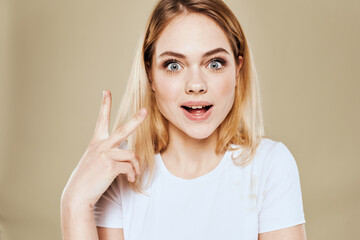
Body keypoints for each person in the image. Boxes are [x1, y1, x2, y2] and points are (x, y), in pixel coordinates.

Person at [60, 0, 307, 239]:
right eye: (174, 65)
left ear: (237, 70)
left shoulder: (270, 165)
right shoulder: (122, 171)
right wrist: (73, 202)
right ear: (150, 74)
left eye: (214, 63)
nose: (196, 85)